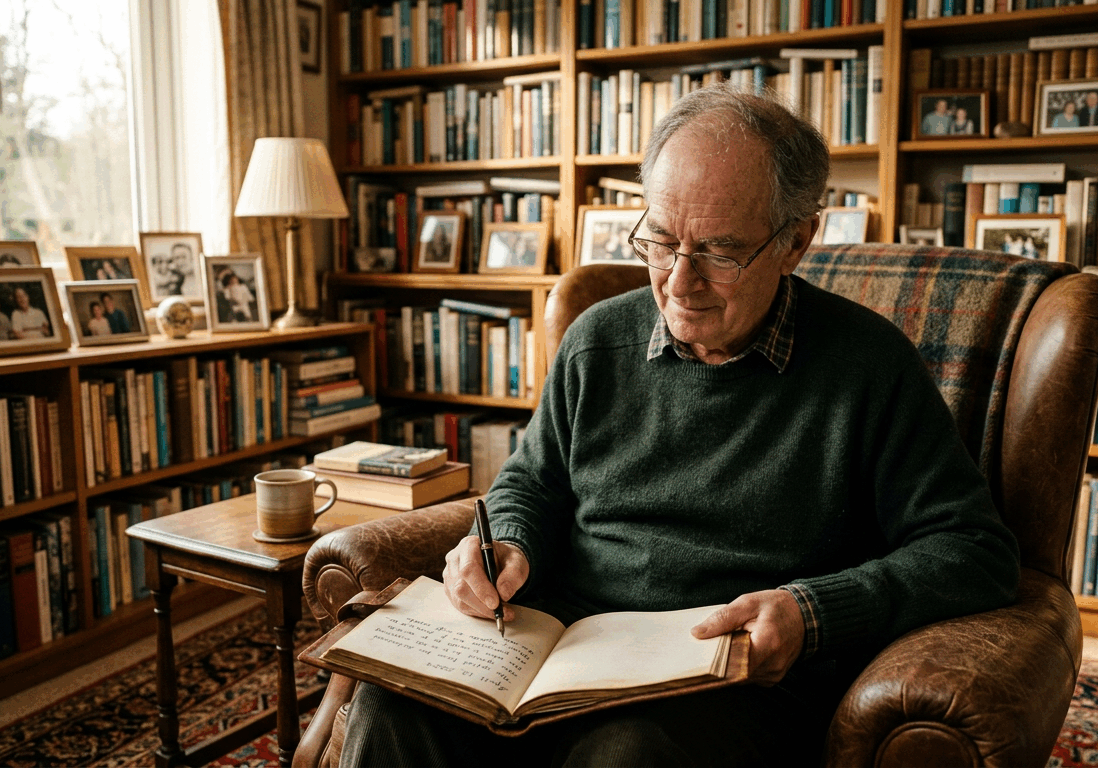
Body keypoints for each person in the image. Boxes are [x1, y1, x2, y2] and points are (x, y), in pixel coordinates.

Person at [339, 85, 1020, 768]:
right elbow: (531, 485)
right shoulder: (596, 340)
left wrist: (813, 612)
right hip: (562, 646)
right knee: (390, 706)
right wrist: (506, 544)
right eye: (660, 241)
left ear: (796, 241)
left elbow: (972, 550)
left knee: (626, 754)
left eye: (720, 252)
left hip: (729, 677)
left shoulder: (869, 367)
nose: (678, 282)